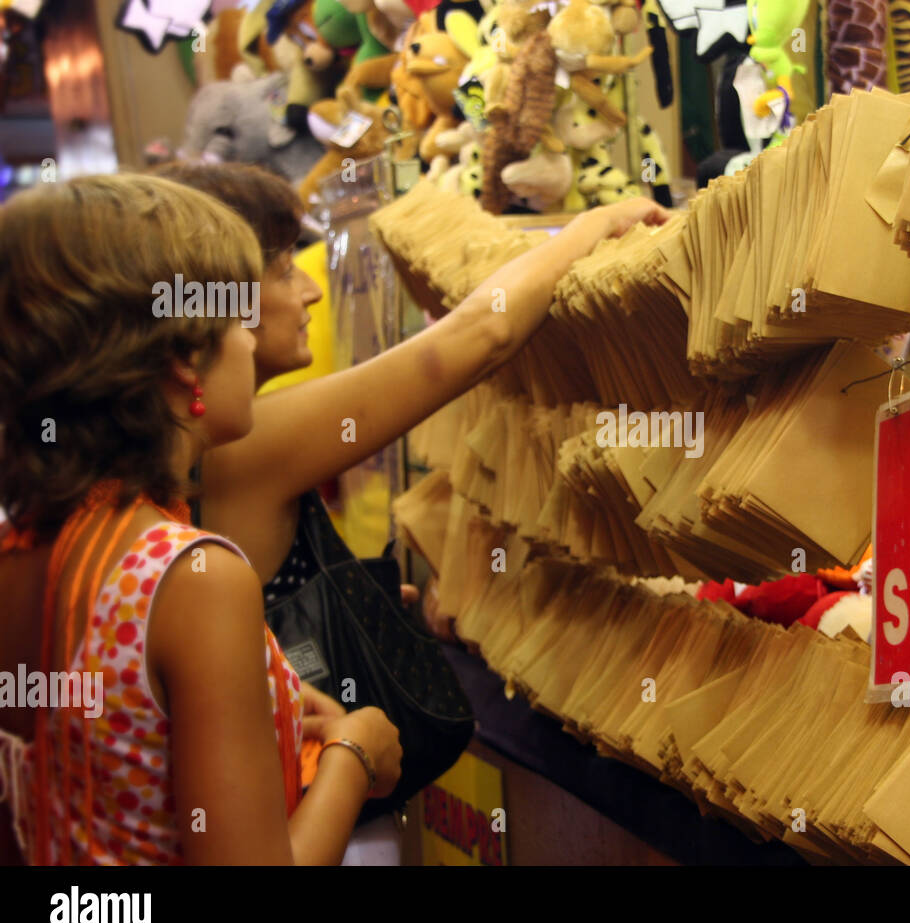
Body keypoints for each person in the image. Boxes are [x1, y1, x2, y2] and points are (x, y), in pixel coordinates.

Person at [0, 174, 402, 865]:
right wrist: (356, 752)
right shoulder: (192, 578)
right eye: (240, 323)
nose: (251, 343)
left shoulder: (21, 552)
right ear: (186, 361)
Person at [149, 162, 670, 612]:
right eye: (285, 271)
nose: (309, 291)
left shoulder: (208, 445)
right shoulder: (240, 448)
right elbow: (481, 334)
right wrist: (597, 225)